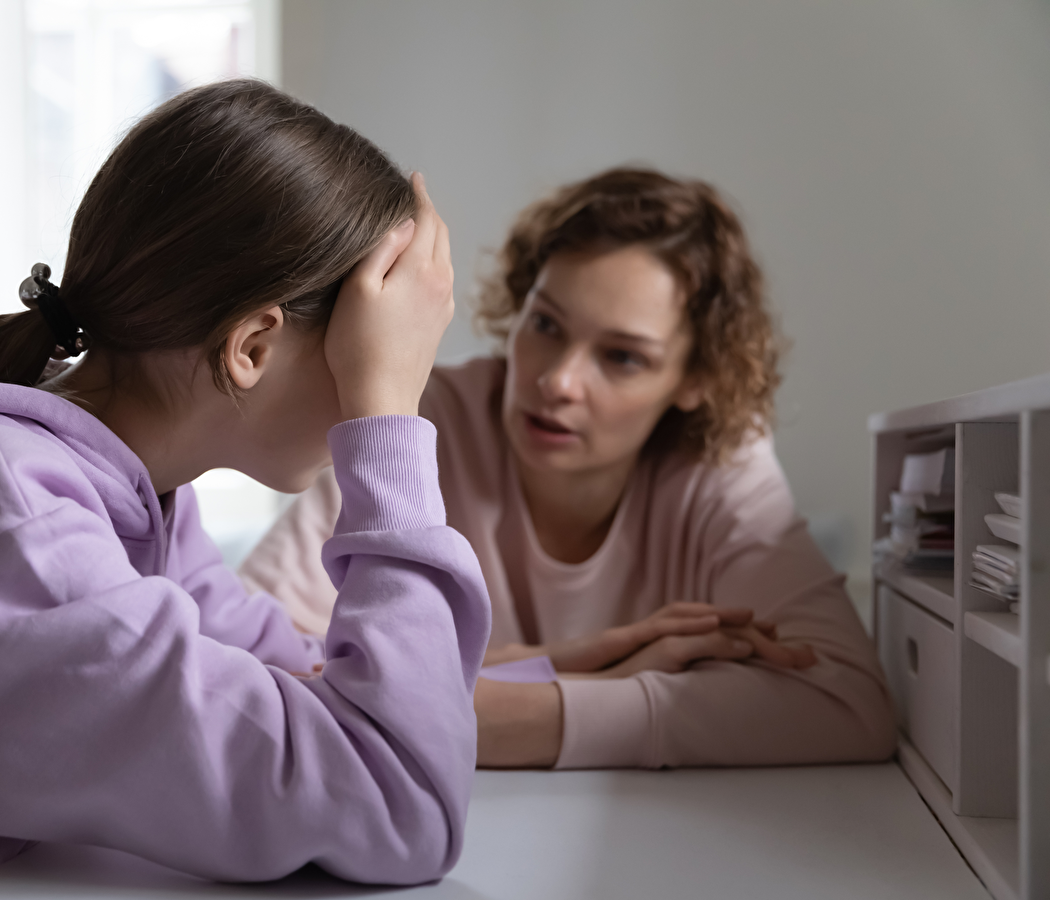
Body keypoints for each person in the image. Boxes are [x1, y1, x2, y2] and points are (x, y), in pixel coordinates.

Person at [241, 168, 896, 770]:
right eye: (547, 325)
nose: (557, 380)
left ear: (695, 378)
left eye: (623, 357)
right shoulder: (418, 416)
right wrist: (594, 680)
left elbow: (849, 703)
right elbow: (249, 669)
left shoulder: (719, 457)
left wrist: (509, 718)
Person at [0, 80, 491, 883]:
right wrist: (387, 418)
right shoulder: (34, 531)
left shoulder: (137, 497)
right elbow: (399, 804)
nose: (399, 377)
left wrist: (572, 673)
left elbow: (307, 674)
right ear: (252, 347)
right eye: (372, 349)